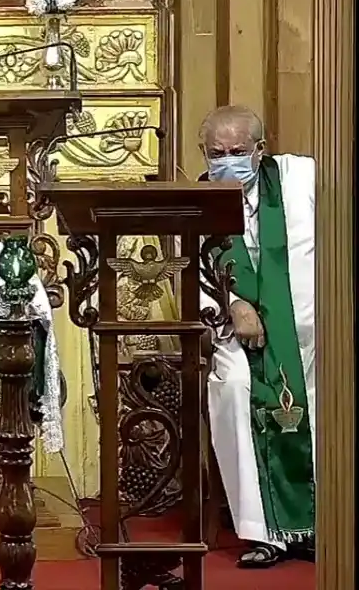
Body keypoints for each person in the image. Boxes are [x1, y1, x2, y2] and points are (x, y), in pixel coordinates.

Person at [199, 104, 315, 569]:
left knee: (322, 398)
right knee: (233, 390)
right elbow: (190, 272)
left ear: (260, 149)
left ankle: (319, 522)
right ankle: (263, 530)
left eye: (237, 151)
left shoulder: (299, 179)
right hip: (234, 336)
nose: (227, 161)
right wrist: (233, 303)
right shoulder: (197, 201)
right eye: (216, 154)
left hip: (310, 333)